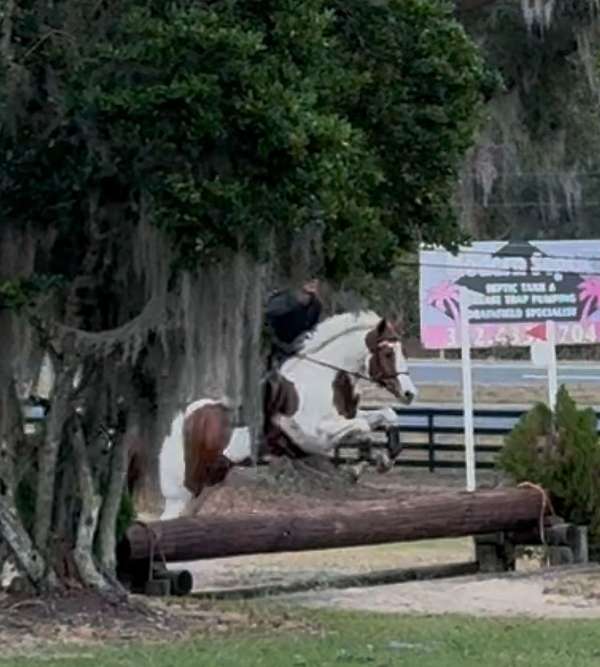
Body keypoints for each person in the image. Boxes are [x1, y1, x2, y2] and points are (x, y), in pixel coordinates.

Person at [264, 278, 322, 370]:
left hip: (291, 347)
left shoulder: (315, 308)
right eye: (304, 292)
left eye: (310, 295)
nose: (305, 297)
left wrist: (299, 342)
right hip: (275, 341)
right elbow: (268, 315)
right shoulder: (286, 301)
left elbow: (310, 328)